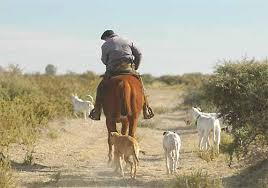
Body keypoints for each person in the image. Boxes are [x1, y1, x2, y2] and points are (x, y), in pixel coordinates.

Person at [89, 30, 154, 120]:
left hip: (113, 70)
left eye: (105, 40)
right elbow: (138, 54)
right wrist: (136, 67)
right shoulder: (126, 40)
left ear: (106, 37)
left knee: (101, 87)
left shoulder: (105, 45)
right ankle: (146, 109)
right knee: (141, 85)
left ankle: (96, 111)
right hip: (128, 68)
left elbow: (104, 60)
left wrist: (110, 62)